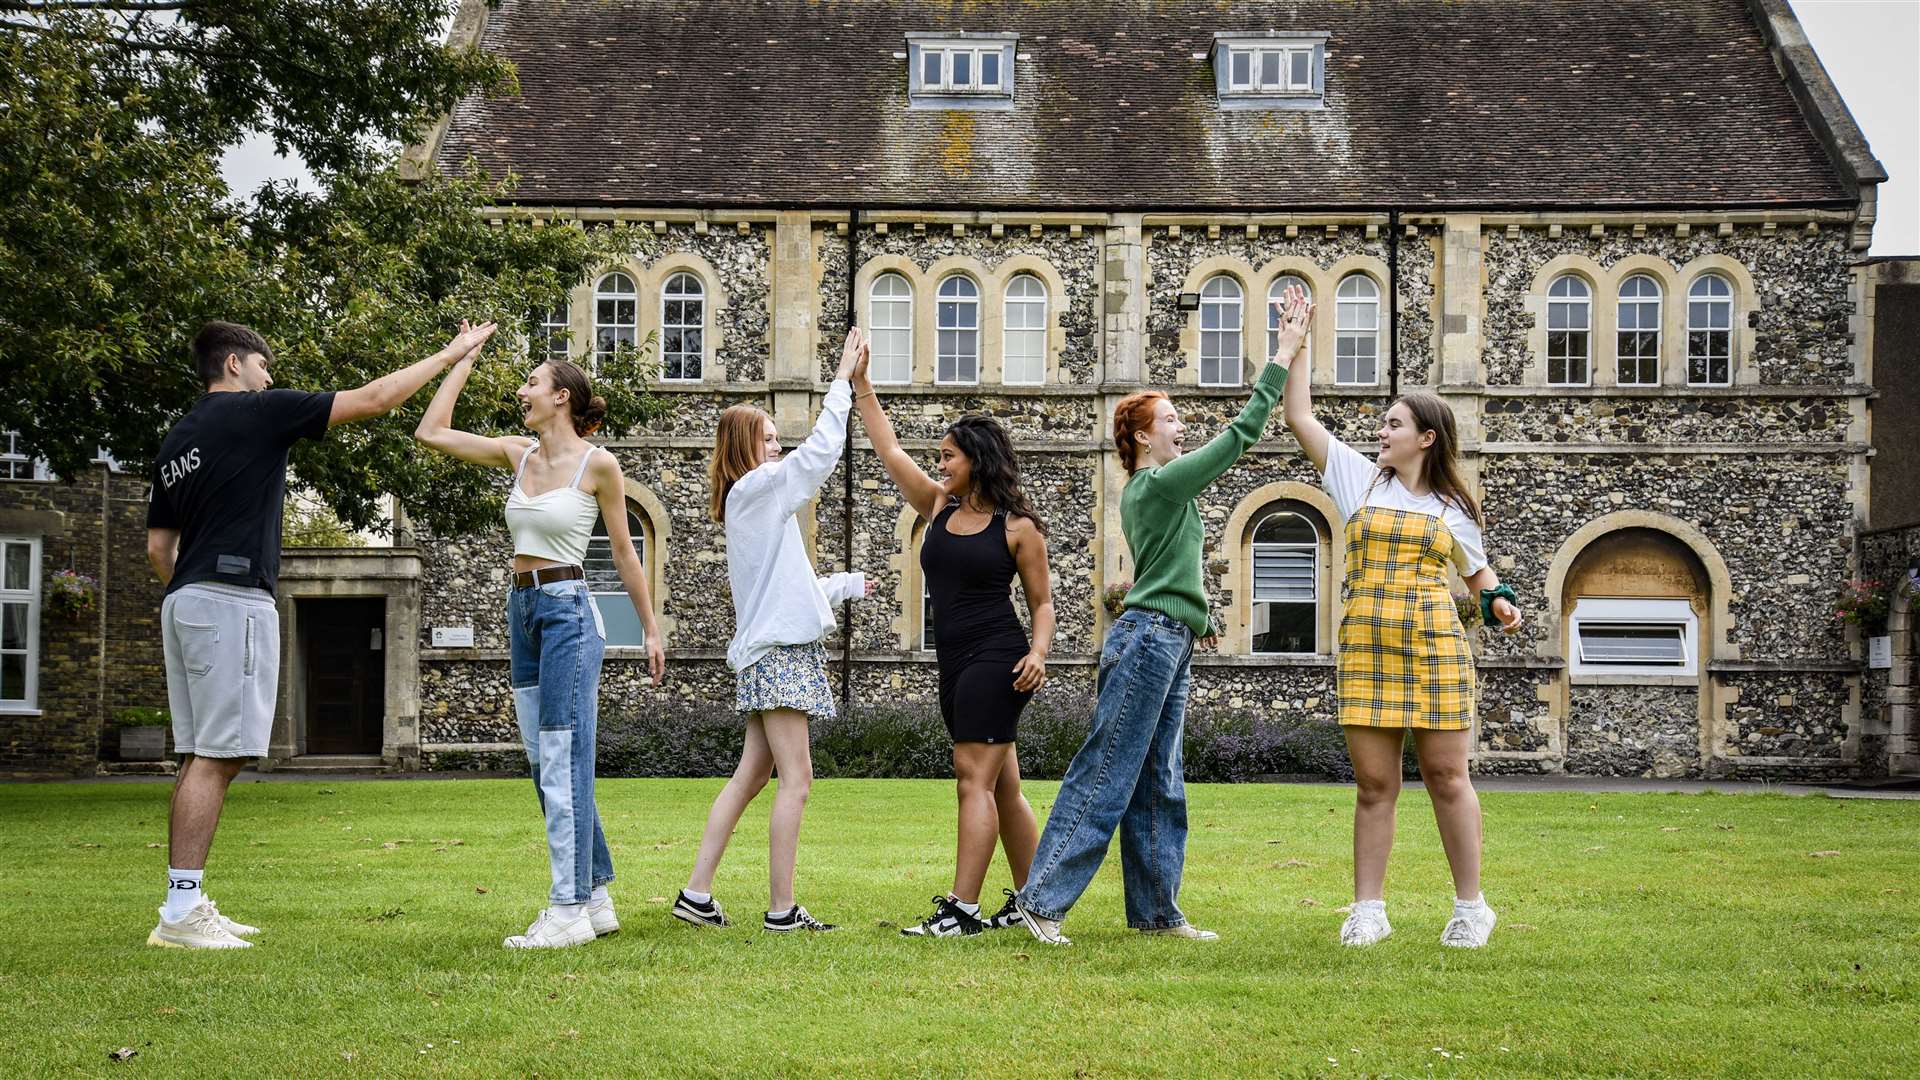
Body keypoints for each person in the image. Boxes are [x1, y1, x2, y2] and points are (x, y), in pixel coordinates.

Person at [145, 317, 498, 949]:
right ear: (234, 365)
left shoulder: (178, 439)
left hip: (186, 600)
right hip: (229, 598)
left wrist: (192, 592)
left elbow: (157, 547)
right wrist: (451, 352)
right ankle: (180, 913)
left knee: (200, 753)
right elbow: (376, 399)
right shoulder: (257, 412)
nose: (269, 376)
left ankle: (186, 898)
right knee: (220, 756)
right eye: (262, 365)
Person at [1011, 287, 1316, 945]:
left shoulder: (1159, 491)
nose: (1183, 427)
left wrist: (1195, 622)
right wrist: (1283, 354)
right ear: (1143, 436)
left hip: (1166, 639)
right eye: (1172, 419)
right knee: (1110, 767)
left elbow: (1171, 575)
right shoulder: (1157, 482)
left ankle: (1155, 911)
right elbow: (1241, 437)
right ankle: (1041, 900)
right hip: (1148, 640)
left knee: (1160, 781)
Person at [1278, 298, 1523, 950]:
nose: (1380, 433)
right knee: (1374, 785)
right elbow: (1298, 416)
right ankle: (1368, 910)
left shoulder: (1453, 509)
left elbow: (1479, 576)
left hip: (1436, 646)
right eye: (1381, 424)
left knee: (1447, 777)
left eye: (1392, 424)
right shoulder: (1359, 481)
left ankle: (1471, 908)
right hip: (1368, 644)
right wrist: (1296, 346)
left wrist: (1499, 600)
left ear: (1427, 437)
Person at [414, 348, 665, 949]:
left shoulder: (599, 466)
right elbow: (431, 431)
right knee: (543, 758)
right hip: (521, 608)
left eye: (531, 383)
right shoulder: (516, 452)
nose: (521, 393)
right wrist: (461, 358)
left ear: (562, 398)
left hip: (569, 610)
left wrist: (651, 627)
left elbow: (626, 554)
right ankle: (596, 894)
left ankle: (567, 908)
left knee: (562, 755)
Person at [673, 328, 873, 933]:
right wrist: (841, 379)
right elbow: (818, 457)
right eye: (767, 437)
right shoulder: (757, 488)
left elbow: (783, 588)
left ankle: (696, 895)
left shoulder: (751, 500)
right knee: (798, 779)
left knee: (753, 776)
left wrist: (843, 585)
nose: (776, 444)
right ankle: (782, 911)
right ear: (743, 445)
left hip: (772, 648)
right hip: (781, 654)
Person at [851, 379, 1053, 938]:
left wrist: (1039, 652)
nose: (939, 465)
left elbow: (1041, 604)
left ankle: (962, 910)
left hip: (999, 657)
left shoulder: (1018, 528)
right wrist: (862, 385)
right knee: (1002, 784)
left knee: (972, 777)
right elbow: (889, 451)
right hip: (955, 661)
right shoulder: (939, 505)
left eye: (948, 456)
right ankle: (1036, 898)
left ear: (977, 461)